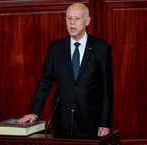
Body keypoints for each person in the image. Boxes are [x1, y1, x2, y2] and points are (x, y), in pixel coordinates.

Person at [18, 2, 113, 137]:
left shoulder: (101, 48)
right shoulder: (55, 49)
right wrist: (34, 112)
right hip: (62, 120)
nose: (72, 23)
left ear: (87, 21)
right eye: (69, 18)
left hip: (91, 122)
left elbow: (106, 89)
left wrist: (105, 123)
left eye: (77, 18)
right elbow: (45, 82)